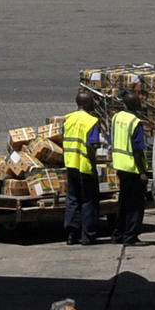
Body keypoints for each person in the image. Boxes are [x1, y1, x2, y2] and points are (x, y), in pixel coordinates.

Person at [60, 90, 102, 244]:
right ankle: (88, 236)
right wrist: (92, 167)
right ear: (86, 103)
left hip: (70, 164)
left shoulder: (68, 119)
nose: (94, 104)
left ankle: (71, 234)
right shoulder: (91, 121)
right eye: (92, 101)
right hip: (84, 165)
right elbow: (91, 146)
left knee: (72, 199)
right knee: (89, 201)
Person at [109, 92, 150, 243]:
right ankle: (131, 235)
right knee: (136, 205)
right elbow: (138, 150)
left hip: (119, 165)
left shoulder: (117, 117)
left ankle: (118, 233)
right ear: (136, 105)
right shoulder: (135, 122)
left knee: (123, 202)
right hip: (133, 168)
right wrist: (143, 172)